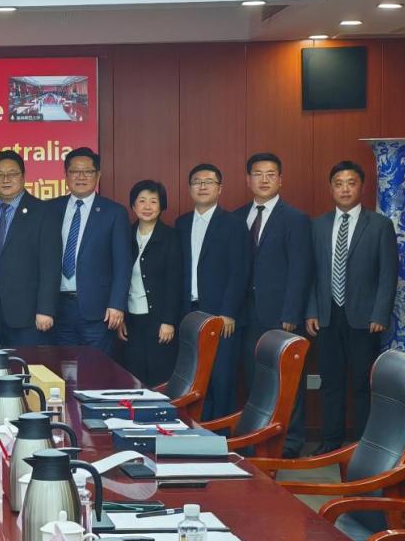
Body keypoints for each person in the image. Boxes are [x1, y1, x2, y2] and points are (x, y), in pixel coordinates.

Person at [306, 161, 398, 453]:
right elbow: (311, 273)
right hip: (326, 316)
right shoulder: (318, 225)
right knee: (330, 383)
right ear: (331, 188)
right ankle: (330, 443)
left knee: (361, 383)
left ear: (361, 186)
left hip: (365, 318)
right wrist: (311, 310)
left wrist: (380, 313)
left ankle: (362, 446)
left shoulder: (380, 225)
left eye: (351, 183)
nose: (344, 189)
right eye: (338, 183)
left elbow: (388, 274)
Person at [235, 153, 312, 457]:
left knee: (286, 380)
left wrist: (292, 313)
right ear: (248, 180)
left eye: (270, 174)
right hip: (246, 314)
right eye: (258, 174)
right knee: (255, 379)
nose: (264, 180)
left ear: (281, 180)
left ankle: (290, 443)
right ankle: (258, 439)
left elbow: (300, 270)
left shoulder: (295, 218)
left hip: (281, 314)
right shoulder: (238, 216)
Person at [174, 164, 250, 420]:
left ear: (220, 188)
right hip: (189, 313)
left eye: (209, 182)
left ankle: (221, 435)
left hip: (220, 315)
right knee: (193, 377)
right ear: (189, 188)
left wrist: (228, 312)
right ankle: (197, 430)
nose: (203, 186)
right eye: (197, 182)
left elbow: (239, 271)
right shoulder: (182, 223)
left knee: (222, 378)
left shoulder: (234, 224)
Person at [0, 150, 61, 346]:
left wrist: (46, 309)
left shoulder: (43, 212)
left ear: (23, 176)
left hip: (28, 314)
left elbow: (51, 265)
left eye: (12, 174)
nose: (5, 179)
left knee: (26, 364)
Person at [50, 147, 130, 353]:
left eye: (88, 171)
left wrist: (117, 305)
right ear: (66, 175)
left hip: (98, 310)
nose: (81, 176)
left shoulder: (114, 212)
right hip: (58, 308)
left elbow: (122, 264)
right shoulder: (50, 209)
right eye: (75, 171)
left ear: (98, 175)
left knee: (97, 367)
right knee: (64, 366)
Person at [118, 180, 182, 385]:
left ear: (161, 206)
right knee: (133, 377)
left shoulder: (171, 237)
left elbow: (175, 282)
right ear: (133, 205)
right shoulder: (124, 235)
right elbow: (117, 277)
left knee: (159, 377)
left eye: (153, 201)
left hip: (159, 321)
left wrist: (168, 321)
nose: (147, 206)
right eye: (142, 201)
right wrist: (120, 316)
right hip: (131, 320)